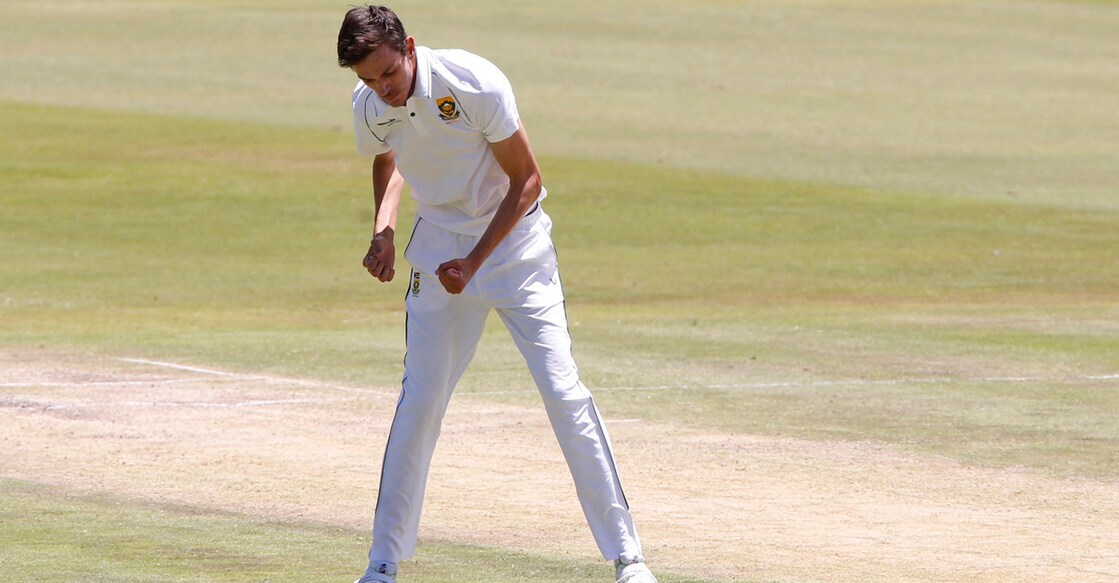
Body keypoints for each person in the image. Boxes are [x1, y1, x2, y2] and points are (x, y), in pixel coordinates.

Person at [336, 6, 658, 583]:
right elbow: (390, 156)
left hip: (515, 250)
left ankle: (628, 558)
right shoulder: (369, 105)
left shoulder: (473, 82)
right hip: (438, 248)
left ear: (409, 47)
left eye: (388, 73)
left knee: (563, 392)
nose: (383, 89)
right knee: (420, 400)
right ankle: (382, 563)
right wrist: (383, 230)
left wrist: (475, 262)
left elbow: (527, 180)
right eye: (368, 80)